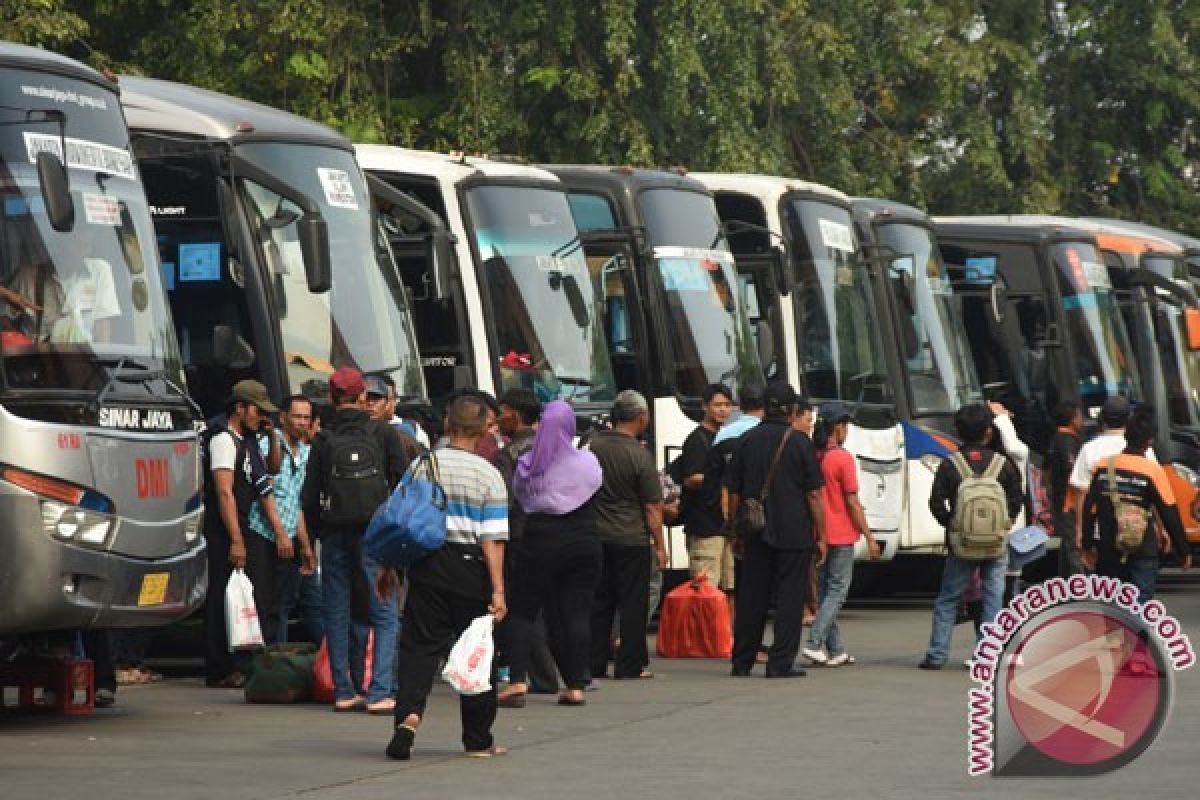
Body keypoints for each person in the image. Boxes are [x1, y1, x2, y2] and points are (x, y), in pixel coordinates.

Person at [384, 394, 509, 760]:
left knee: (418, 650)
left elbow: (398, 519)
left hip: (427, 567)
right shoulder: (489, 475)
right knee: (477, 652)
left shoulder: (423, 465)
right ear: (484, 430)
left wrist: (387, 568)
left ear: (448, 426)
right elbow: (493, 540)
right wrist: (498, 589)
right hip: (472, 572)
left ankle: (408, 716)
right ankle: (478, 740)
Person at [302, 367, 409, 713]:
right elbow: (403, 485)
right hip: (375, 533)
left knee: (337, 609)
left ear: (332, 398)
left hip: (334, 532)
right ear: (362, 395)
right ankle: (379, 691)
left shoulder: (323, 438)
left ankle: (344, 691)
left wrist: (316, 536)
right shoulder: (382, 433)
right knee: (385, 611)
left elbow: (310, 494)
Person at [504, 400, 604, 706]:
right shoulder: (587, 461)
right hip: (583, 538)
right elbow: (595, 485)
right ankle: (575, 685)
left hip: (539, 537)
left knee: (523, 610)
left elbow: (519, 495)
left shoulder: (526, 463)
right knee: (575, 613)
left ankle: (517, 679)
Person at [725, 382, 826, 678]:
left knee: (751, 596)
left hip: (755, 531)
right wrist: (821, 535)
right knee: (790, 598)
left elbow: (732, 492)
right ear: (792, 410)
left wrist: (735, 530)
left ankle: (742, 660)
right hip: (793, 532)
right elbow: (814, 495)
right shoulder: (800, 443)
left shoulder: (746, 440)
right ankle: (780, 662)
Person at [919, 403, 1023, 670]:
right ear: (988, 431)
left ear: (958, 431)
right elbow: (1016, 500)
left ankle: (937, 655)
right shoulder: (1004, 465)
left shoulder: (950, 464)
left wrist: (953, 526)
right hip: (996, 543)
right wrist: (1003, 524)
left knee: (948, 598)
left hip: (961, 544)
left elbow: (936, 503)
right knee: (993, 596)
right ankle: (987, 655)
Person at [203, 380, 278, 688]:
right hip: (222, 531)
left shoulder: (247, 440)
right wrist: (235, 539)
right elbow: (224, 493)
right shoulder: (222, 440)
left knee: (237, 597)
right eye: (257, 411)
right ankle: (219, 667)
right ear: (239, 408)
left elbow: (270, 471)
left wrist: (271, 435)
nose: (261, 417)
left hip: (241, 525)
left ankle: (238, 663)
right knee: (222, 598)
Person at [588, 390, 667, 681]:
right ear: (641, 417)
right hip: (631, 537)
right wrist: (660, 546)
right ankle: (630, 664)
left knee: (599, 601)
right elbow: (652, 507)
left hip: (597, 534)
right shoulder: (639, 454)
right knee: (633, 602)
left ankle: (593, 662)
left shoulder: (593, 447)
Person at [1081, 405, 1192, 603]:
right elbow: (1169, 511)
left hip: (1108, 547)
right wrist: (1183, 551)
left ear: (1126, 436)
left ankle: (1116, 635)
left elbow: (1090, 509)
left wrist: (1087, 545)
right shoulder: (1151, 471)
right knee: (1140, 605)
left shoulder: (1104, 466)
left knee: (1113, 607)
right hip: (1143, 548)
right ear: (1149, 443)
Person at [491, 389, 559, 703]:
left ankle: (526, 676)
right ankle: (549, 675)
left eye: (501, 412)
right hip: (554, 531)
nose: (497, 418)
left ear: (515, 416)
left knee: (521, 606)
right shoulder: (556, 448)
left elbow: (505, 500)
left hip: (520, 534)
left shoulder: (509, 454)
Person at [802, 403, 881, 667]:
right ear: (838, 427)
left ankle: (836, 650)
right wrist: (869, 536)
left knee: (826, 592)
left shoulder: (813, 455)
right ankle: (814, 642)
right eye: (846, 425)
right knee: (837, 591)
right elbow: (853, 503)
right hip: (841, 532)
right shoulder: (842, 458)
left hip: (816, 531)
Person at [249, 395, 320, 643]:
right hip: (264, 534)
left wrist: (305, 546)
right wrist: (280, 534)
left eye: (306, 418)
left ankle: (277, 661)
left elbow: (296, 503)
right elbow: (265, 495)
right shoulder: (269, 443)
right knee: (264, 604)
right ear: (284, 418)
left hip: (289, 538)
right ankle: (264, 664)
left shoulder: (306, 453)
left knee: (281, 606)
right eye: (297, 417)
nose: (302, 422)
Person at [1069, 395, 1156, 561]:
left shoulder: (1089, 449)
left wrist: (1080, 531)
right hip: (1140, 531)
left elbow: (1081, 495)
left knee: (1110, 584)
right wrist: (1162, 528)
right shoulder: (1143, 447)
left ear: (1101, 419)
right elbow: (1156, 491)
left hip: (1103, 532)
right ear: (1129, 419)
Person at [675, 384, 734, 594]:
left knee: (729, 589)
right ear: (705, 407)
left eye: (727, 405)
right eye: (717, 405)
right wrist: (723, 480)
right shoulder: (696, 440)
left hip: (725, 527)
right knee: (705, 590)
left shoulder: (726, 438)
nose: (723, 410)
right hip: (704, 527)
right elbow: (692, 478)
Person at [1044, 400, 1084, 576]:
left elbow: (1046, 469)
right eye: (1079, 415)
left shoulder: (1054, 439)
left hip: (1058, 499)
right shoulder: (1067, 441)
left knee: (1066, 543)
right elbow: (1073, 471)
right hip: (1069, 501)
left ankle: (1066, 580)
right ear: (1072, 419)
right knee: (1073, 542)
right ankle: (1079, 583)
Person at [367, 373, 431, 451]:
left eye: (377, 398)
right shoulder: (359, 429)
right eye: (368, 398)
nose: (371, 403)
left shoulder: (411, 428)